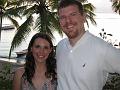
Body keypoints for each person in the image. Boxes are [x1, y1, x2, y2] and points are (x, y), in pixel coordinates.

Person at [56, 0, 120, 90]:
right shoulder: (60, 46)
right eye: (63, 17)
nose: (68, 21)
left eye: (73, 14)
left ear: (84, 17)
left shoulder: (101, 49)